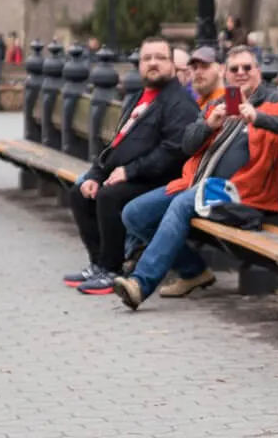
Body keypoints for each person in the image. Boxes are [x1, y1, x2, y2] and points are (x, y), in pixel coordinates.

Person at [111, 45, 278, 309]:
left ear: (258, 72)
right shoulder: (220, 103)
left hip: (241, 196)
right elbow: (187, 145)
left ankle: (140, 283)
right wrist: (208, 125)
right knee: (134, 214)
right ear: (226, 73)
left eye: (247, 68)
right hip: (195, 186)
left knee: (182, 205)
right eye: (234, 69)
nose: (241, 73)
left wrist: (258, 117)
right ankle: (194, 271)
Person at [63, 37, 202, 295]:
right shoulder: (141, 97)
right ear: (139, 65)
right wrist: (96, 173)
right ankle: (98, 265)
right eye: (147, 58)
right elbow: (116, 145)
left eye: (160, 58)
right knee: (80, 191)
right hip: (135, 174)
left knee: (110, 196)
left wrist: (129, 171)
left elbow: (173, 151)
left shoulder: (178, 103)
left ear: (172, 65)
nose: (153, 63)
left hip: (162, 180)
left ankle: (112, 268)